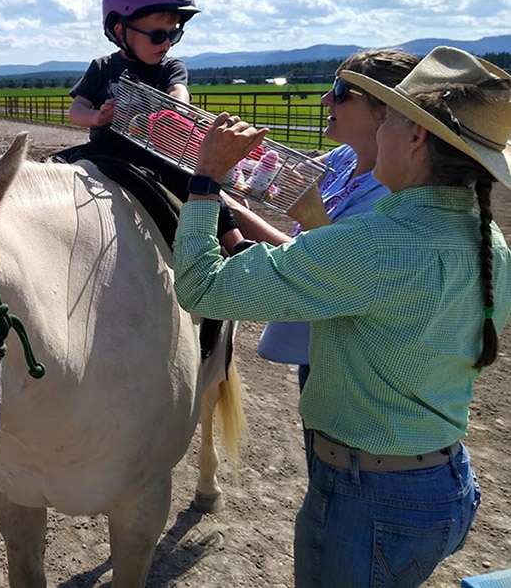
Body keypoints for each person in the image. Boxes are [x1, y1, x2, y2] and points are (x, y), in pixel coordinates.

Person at [173, 46, 511, 587]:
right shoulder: (486, 239)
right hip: (442, 479)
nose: (377, 138)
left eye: (390, 123)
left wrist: (207, 176)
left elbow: (200, 287)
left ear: (415, 137)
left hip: (368, 500)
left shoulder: (373, 246)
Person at [226, 49, 419, 393]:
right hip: (325, 341)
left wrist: (234, 212)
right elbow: (280, 176)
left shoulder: (388, 194)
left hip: (347, 356)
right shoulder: (349, 156)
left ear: (385, 110)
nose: (326, 98)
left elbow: (319, 262)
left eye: (342, 92)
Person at [62, 0, 245, 253]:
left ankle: (235, 243)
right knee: (54, 166)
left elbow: (178, 93)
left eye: (174, 34)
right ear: (121, 32)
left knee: (197, 183)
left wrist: (172, 111)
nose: (167, 43)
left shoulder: (170, 67)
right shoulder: (102, 67)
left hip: (157, 153)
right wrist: (96, 117)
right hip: (107, 148)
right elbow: (76, 110)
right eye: (158, 35)